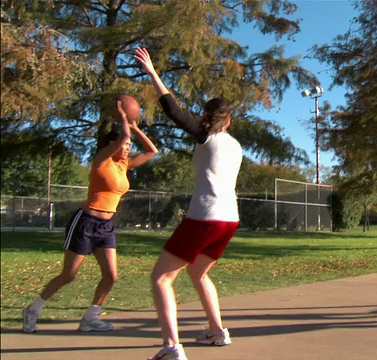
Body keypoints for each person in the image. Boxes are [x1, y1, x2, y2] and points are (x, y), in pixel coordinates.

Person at [135, 47, 243, 360]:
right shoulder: (234, 145)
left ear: (207, 117)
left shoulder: (206, 137)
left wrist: (153, 73)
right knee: (198, 273)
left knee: (161, 278)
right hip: (229, 220)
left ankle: (171, 348)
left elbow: (174, 111)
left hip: (205, 218)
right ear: (230, 120)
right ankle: (217, 331)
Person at [23, 100, 158, 333]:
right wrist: (125, 118)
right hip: (85, 222)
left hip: (106, 226)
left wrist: (135, 127)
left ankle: (90, 319)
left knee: (111, 276)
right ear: (111, 145)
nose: (128, 148)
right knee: (69, 275)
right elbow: (122, 136)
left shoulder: (124, 166)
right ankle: (33, 310)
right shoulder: (101, 161)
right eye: (124, 145)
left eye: (128, 146)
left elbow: (152, 151)